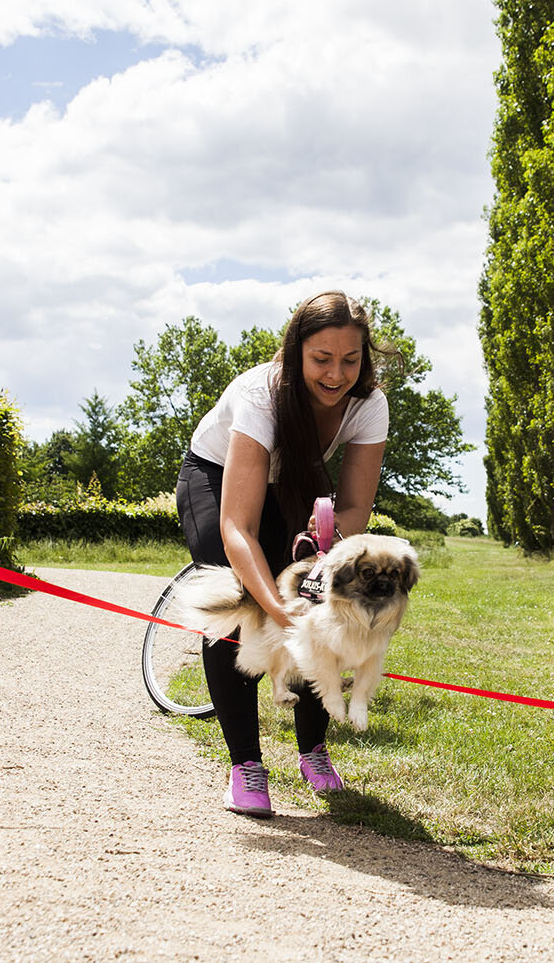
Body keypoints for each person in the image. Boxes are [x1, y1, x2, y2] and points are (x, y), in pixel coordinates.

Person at [176, 290, 391, 817]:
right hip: (216, 475)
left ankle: (313, 751)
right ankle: (245, 765)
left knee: (321, 604)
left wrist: (319, 565)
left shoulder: (370, 404)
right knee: (238, 600)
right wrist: (273, 607)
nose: (336, 374)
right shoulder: (261, 394)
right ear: (297, 352)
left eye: (350, 359)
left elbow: (356, 507)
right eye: (322, 359)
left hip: (293, 478)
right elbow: (238, 526)